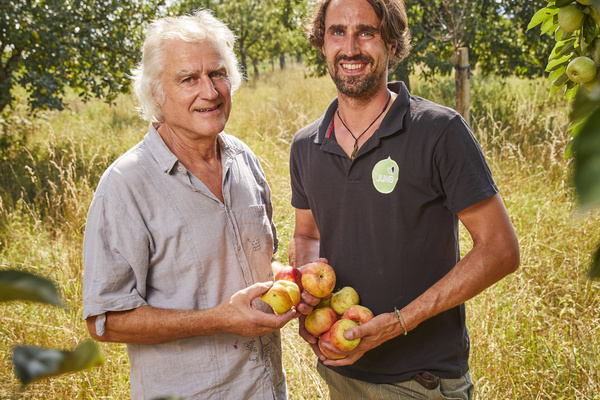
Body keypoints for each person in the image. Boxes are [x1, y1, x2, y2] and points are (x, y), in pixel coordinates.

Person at [288, 0, 520, 398]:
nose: (350, 47)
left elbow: (501, 250)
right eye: (337, 32)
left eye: (367, 32)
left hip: (421, 381)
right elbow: (308, 236)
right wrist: (313, 299)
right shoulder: (306, 145)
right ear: (321, 43)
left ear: (393, 45)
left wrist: (398, 322)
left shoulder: (439, 131)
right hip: (341, 373)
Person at [82, 10, 296, 400]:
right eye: (188, 79)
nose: (210, 92)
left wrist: (292, 278)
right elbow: (105, 320)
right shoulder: (126, 185)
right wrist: (218, 320)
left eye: (217, 73)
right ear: (156, 94)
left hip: (266, 389)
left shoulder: (243, 159)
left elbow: (253, 264)